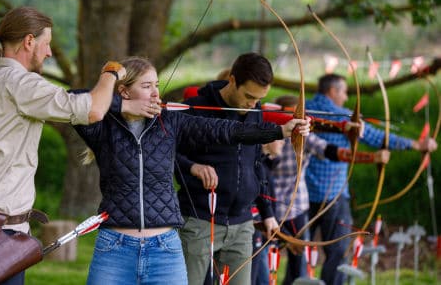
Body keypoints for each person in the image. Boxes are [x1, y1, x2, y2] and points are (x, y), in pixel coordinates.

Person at [71, 56, 310, 285]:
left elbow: (227, 130)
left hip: (164, 248)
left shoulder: (170, 122)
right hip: (115, 247)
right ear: (124, 91)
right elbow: (74, 98)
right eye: (146, 86)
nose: (156, 93)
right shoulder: (102, 129)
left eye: (156, 85)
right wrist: (118, 95)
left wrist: (281, 131)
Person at [0, 6, 126, 284]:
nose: (49, 53)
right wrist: (111, 72)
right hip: (0, 237)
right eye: (47, 44)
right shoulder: (24, 84)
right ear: (29, 41)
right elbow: (93, 110)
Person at [305, 73, 438, 285]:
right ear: (333, 91)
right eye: (344, 92)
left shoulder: (302, 109)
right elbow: (378, 138)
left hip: (301, 197)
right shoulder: (346, 117)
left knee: (297, 251)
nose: (346, 97)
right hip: (334, 195)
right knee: (338, 252)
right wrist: (416, 144)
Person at [176, 52, 297, 285]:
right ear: (232, 80)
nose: (253, 104)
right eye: (249, 96)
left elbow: (256, 164)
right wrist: (192, 167)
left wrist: (268, 214)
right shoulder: (195, 108)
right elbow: (166, 154)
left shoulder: (254, 110)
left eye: (259, 99)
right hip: (199, 218)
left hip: (242, 223)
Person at [258, 95, 390, 285]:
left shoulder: (305, 137)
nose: (296, 119)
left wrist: (372, 157)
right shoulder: (265, 134)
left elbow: (331, 150)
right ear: (276, 114)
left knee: (299, 262)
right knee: (262, 261)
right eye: (290, 114)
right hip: (266, 209)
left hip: (296, 207)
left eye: (299, 115)